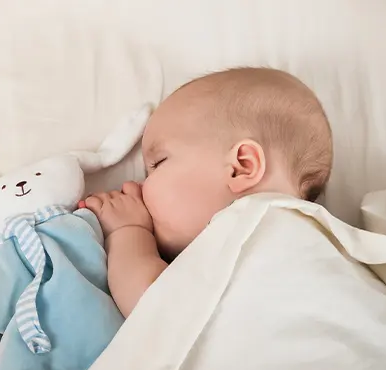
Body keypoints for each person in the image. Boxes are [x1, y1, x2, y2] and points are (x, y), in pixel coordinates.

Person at [83, 67, 334, 317]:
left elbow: (156, 310)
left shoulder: (248, 232)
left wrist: (128, 231)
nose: (139, 186)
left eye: (158, 163)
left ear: (241, 167)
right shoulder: (325, 248)